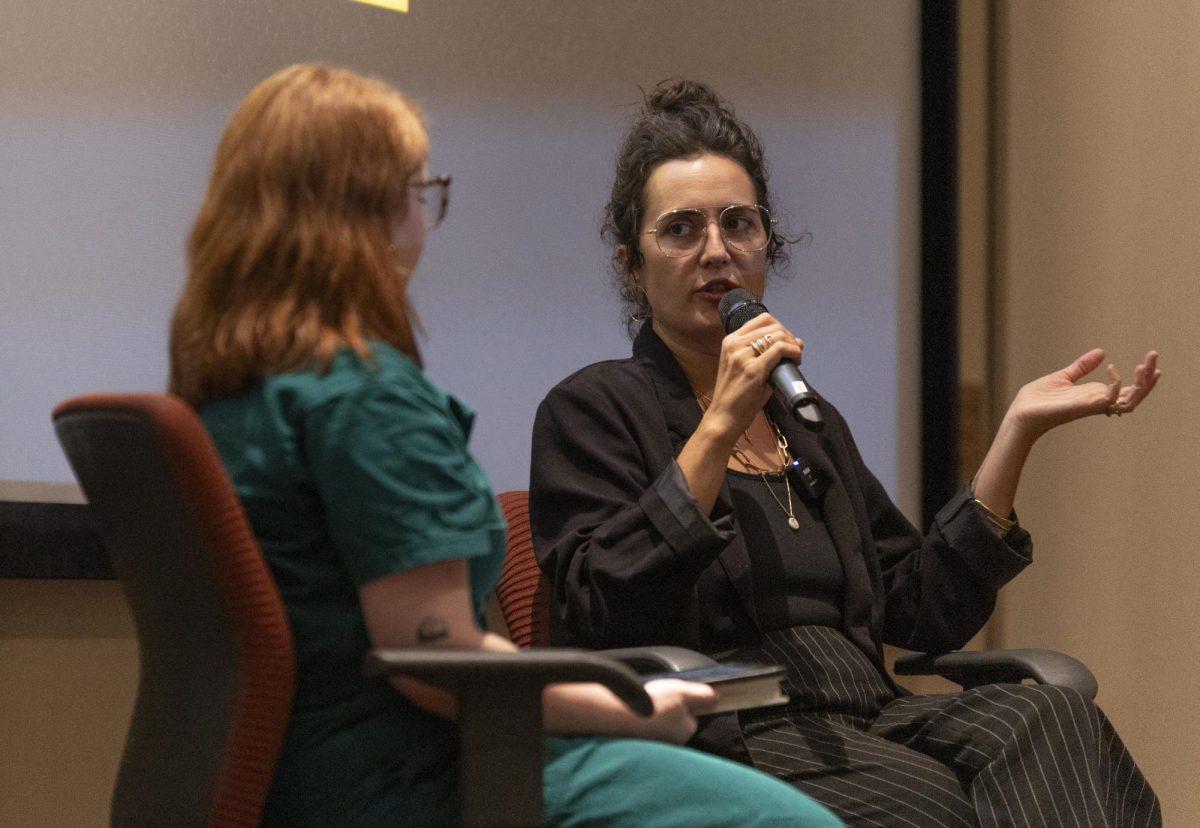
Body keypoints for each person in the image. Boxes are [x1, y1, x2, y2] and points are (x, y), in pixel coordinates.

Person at [167, 65, 839, 827]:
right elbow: (436, 664)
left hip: (286, 772)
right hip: (409, 775)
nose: (425, 213)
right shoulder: (365, 398)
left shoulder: (233, 393)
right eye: (420, 190)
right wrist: (632, 706)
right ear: (367, 210)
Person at [529, 78, 1163, 827]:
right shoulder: (592, 408)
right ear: (633, 265)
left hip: (866, 715)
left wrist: (1014, 433)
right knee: (935, 803)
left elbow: (919, 609)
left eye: (739, 224)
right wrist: (719, 423)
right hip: (732, 731)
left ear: (768, 245)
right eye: (681, 230)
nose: (717, 251)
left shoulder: (807, 419)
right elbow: (601, 605)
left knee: (1055, 719)